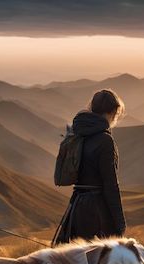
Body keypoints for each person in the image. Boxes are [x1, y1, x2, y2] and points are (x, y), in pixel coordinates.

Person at [53, 89, 127, 245]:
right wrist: (120, 224)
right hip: (97, 212)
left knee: (75, 260)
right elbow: (111, 185)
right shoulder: (105, 140)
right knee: (99, 262)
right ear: (113, 112)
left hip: (77, 208)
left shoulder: (78, 132)